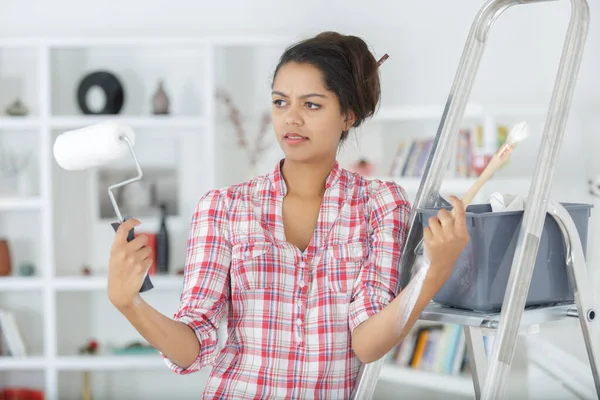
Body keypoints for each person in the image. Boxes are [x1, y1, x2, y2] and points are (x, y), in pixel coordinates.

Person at [107, 31, 470, 399]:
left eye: (311, 105)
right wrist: (130, 304)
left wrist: (433, 271)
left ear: (348, 115)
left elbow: (367, 343)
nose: (291, 118)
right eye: (280, 102)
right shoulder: (224, 208)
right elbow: (195, 344)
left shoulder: (381, 205)